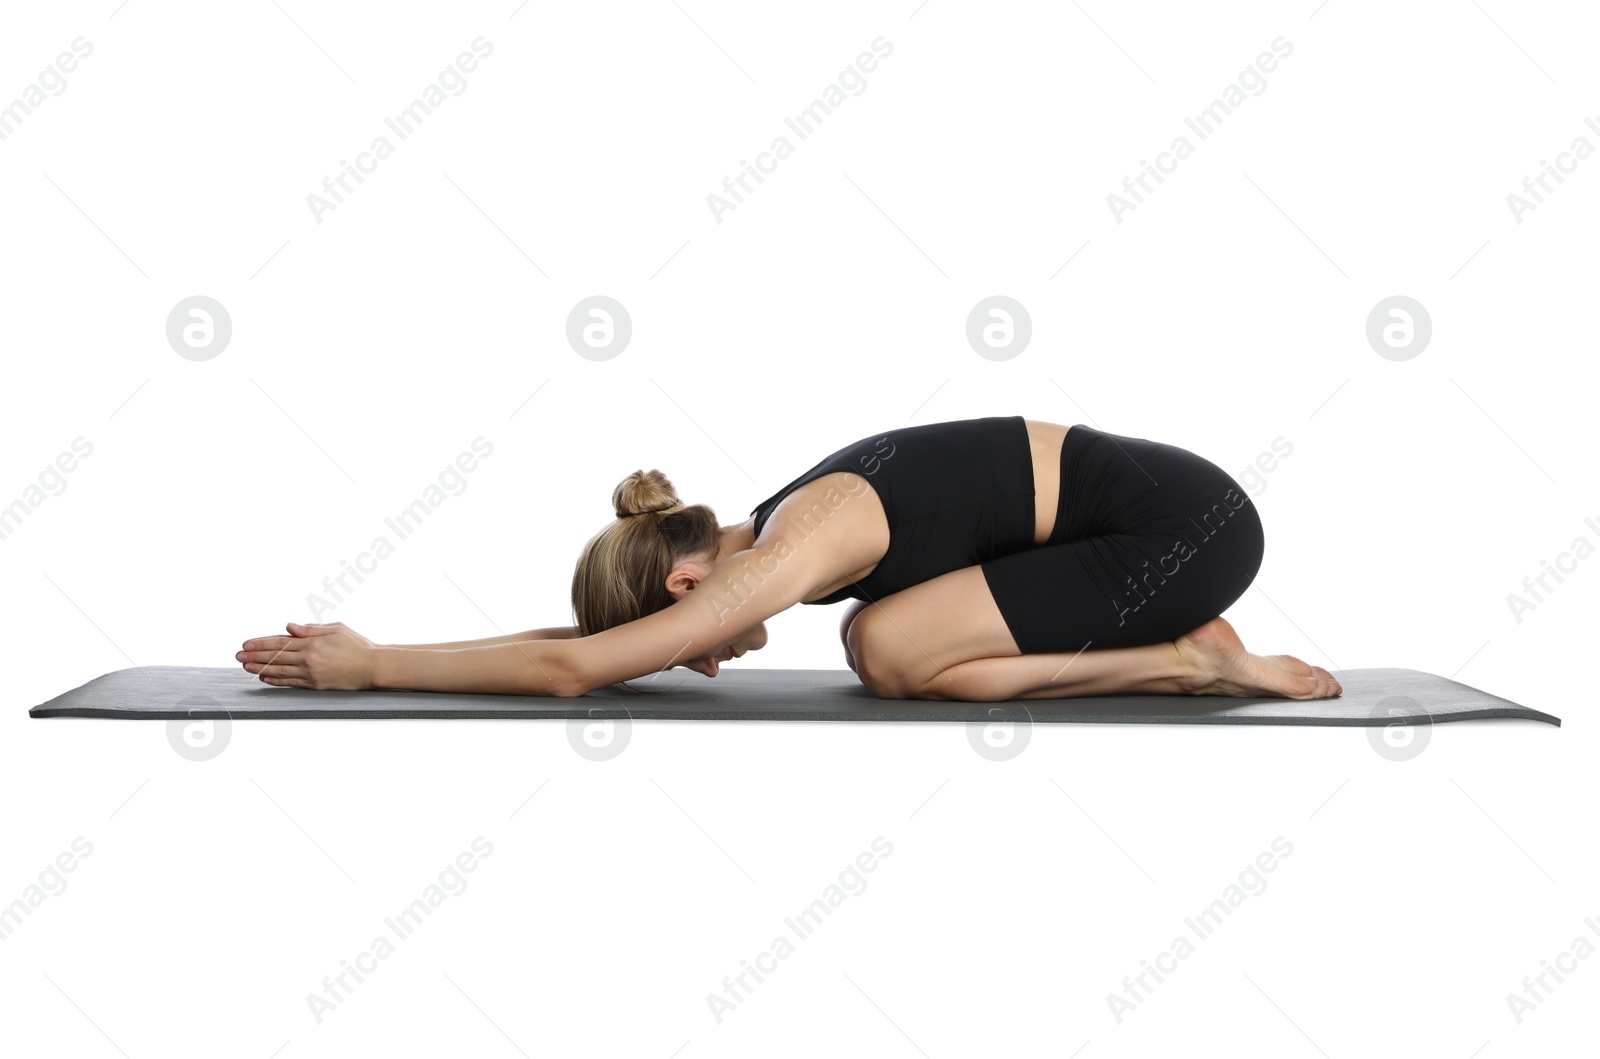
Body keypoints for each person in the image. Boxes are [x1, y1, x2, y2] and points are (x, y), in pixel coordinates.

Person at [236, 416, 1341, 701]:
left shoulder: (792, 547)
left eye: (687, 639)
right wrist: (386, 645)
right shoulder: (762, 538)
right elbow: (588, 648)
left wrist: (376, 667)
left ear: (685, 586)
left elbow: (577, 670)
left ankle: (1187, 664)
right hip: (1149, 530)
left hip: (1181, 534)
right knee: (887, 646)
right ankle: (1172, 647)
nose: (701, 652)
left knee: (889, 649)